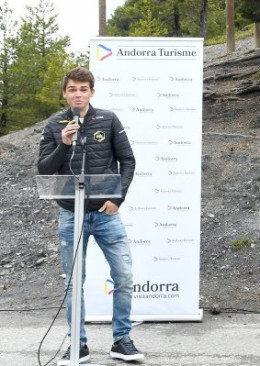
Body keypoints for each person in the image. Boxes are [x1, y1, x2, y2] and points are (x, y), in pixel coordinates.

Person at [37, 67, 143, 364]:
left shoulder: (108, 119)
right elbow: (45, 170)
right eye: (72, 89)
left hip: (105, 214)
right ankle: (78, 345)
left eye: (83, 89)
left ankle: (121, 340)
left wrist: (117, 197)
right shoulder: (54, 124)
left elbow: (128, 160)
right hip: (71, 214)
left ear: (92, 92)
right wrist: (63, 143)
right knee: (73, 281)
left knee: (123, 275)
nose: (78, 94)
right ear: (65, 93)